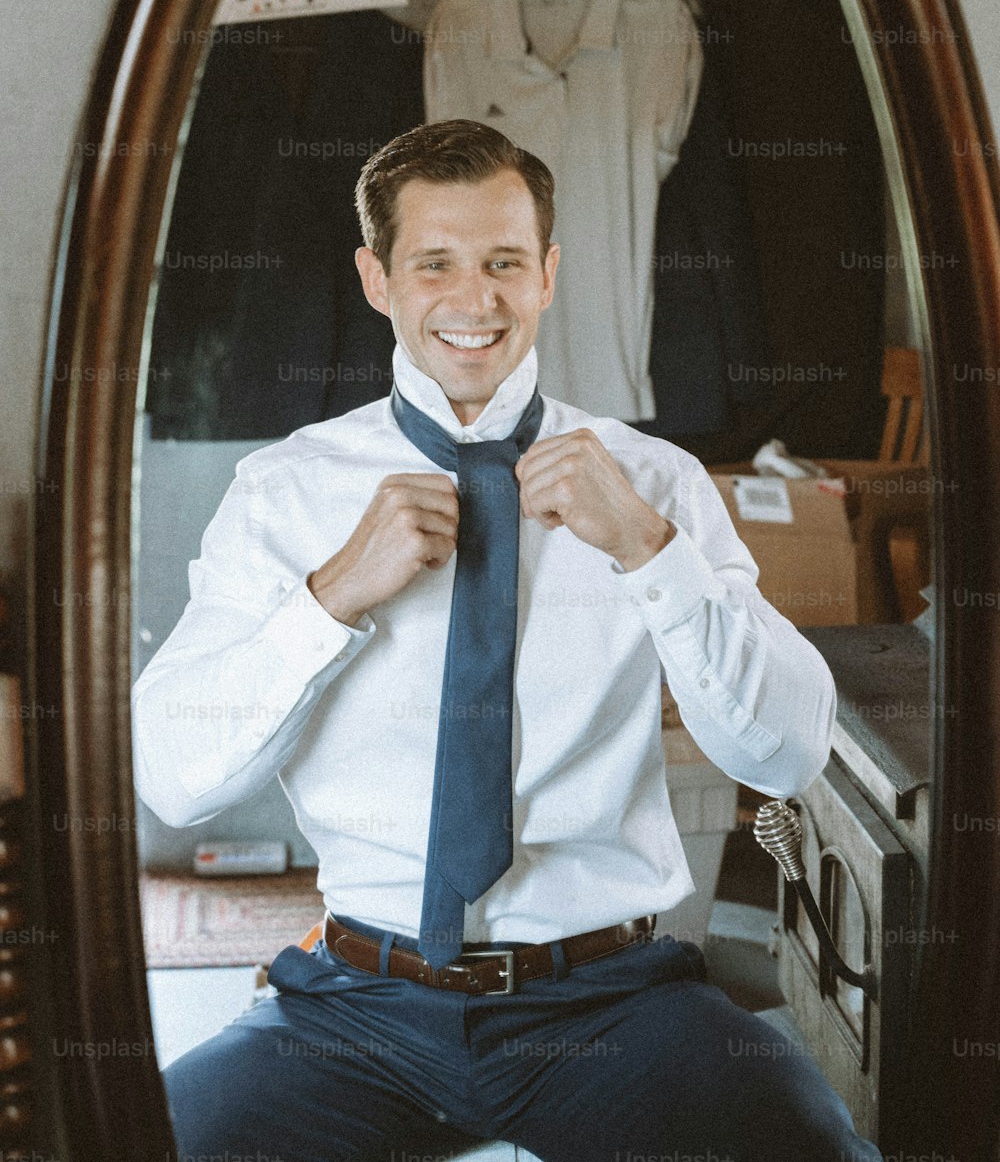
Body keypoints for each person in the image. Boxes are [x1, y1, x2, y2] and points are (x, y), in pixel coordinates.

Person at [133, 119, 884, 1162]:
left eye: (503, 263)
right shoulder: (282, 494)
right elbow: (174, 781)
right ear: (375, 278)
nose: (474, 300)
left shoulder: (654, 481)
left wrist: (650, 551)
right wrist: (334, 594)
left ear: (547, 274)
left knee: (811, 1149)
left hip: (609, 1002)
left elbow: (786, 751)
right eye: (434, 263)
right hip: (353, 1003)